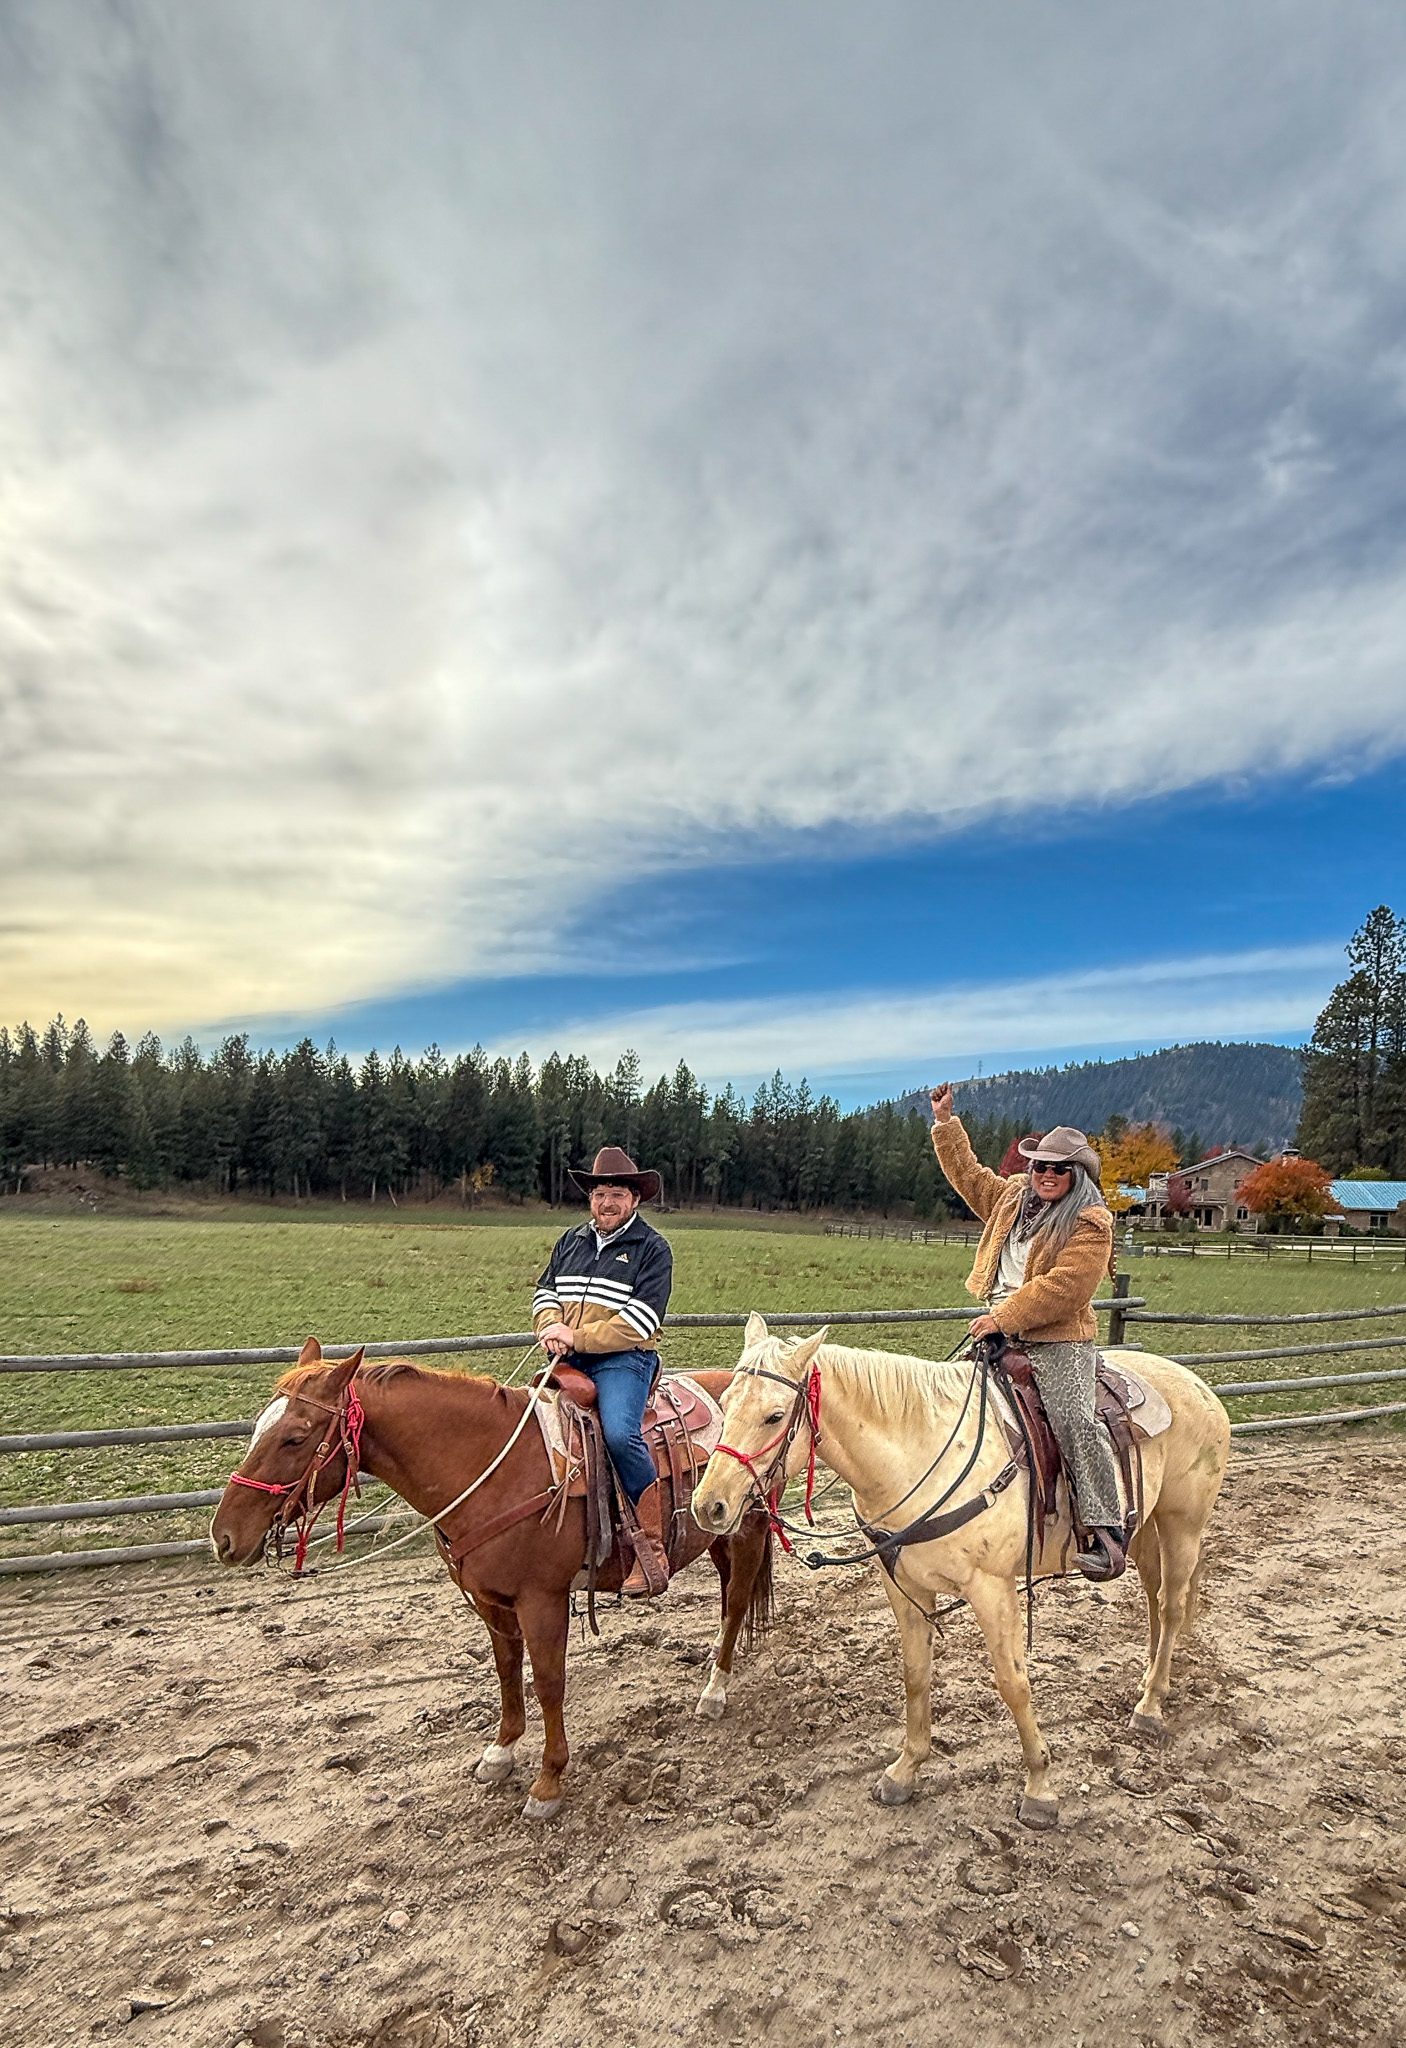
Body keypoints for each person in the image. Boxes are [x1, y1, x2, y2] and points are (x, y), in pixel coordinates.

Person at [928, 1085, 1127, 1581]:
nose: (1046, 1175)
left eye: (1059, 1168)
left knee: (1075, 1421)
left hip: (1059, 1341)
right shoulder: (1012, 1198)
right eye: (1039, 1165)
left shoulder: (1091, 1223)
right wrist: (946, 1124)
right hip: (1001, 1333)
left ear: (1077, 1175)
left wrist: (1002, 1316)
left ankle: (1105, 1529)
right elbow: (970, 1178)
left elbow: (1065, 1289)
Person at [532, 1146, 675, 1596]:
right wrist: (550, 1324)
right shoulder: (570, 1242)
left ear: (635, 1199)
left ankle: (651, 1546)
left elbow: (641, 1322)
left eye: (616, 1193)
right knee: (527, 1425)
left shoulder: (652, 1250)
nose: (606, 1202)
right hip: (569, 1358)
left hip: (624, 1359)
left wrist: (577, 1337)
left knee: (618, 1434)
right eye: (599, 1193)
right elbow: (544, 1291)